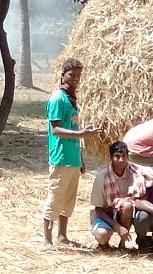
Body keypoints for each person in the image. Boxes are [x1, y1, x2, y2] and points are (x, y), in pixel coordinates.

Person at [42, 58, 102, 251]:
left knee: (68, 200)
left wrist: (81, 158)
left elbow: (73, 129)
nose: (75, 78)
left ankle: (62, 236)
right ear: (63, 74)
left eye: (78, 76)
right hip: (60, 158)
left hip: (73, 159)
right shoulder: (57, 99)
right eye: (72, 74)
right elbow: (56, 129)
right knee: (55, 197)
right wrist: (81, 134)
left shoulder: (71, 100)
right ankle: (47, 240)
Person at [90, 141, 153, 251]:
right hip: (106, 213)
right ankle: (104, 245)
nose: (121, 160)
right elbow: (98, 209)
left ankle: (122, 244)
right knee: (101, 235)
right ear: (111, 157)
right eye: (117, 156)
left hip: (127, 212)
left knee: (128, 205)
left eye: (124, 156)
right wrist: (117, 227)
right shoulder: (102, 177)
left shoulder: (136, 172)